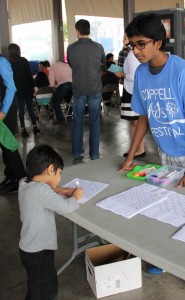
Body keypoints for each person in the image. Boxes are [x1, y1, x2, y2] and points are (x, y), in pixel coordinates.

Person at [119, 13, 185, 299]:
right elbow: (143, 118)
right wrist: (130, 157)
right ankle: (166, 258)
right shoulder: (140, 74)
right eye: (132, 46)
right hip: (165, 151)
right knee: (170, 208)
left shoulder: (183, 72)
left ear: (158, 42)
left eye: (141, 44)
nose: (136, 51)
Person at [18, 144, 83, 300]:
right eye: (59, 173)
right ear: (51, 169)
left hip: (28, 249)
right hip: (39, 251)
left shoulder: (25, 184)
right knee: (47, 290)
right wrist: (76, 196)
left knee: (36, 286)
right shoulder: (41, 191)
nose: (59, 178)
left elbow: (40, 191)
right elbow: (66, 208)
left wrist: (58, 190)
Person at [67, 19, 106, 161]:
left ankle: (77, 153)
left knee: (77, 121)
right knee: (94, 121)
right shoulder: (98, 47)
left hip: (78, 89)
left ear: (77, 31)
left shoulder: (71, 48)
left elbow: (72, 65)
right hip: (94, 88)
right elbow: (104, 66)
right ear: (89, 30)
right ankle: (94, 154)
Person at [0, 54, 27, 193]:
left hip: (7, 108)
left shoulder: (1, 61)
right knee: (3, 144)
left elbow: (11, 87)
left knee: (8, 143)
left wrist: (3, 111)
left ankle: (21, 178)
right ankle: (11, 176)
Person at [7, 43, 40, 138]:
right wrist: (33, 86)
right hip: (27, 88)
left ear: (10, 52)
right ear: (18, 50)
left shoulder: (9, 63)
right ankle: (35, 127)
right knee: (30, 108)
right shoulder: (24, 60)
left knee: (20, 110)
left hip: (17, 90)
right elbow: (29, 75)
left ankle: (23, 130)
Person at [121, 35, 145, 158]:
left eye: (125, 38)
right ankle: (138, 148)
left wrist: (122, 74)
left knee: (135, 123)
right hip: (131, 90)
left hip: (132, 92)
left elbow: (135, 76)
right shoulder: (130, 54)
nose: (123, 40)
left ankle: (138, 149)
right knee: (135, 123)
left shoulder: (132, 56)